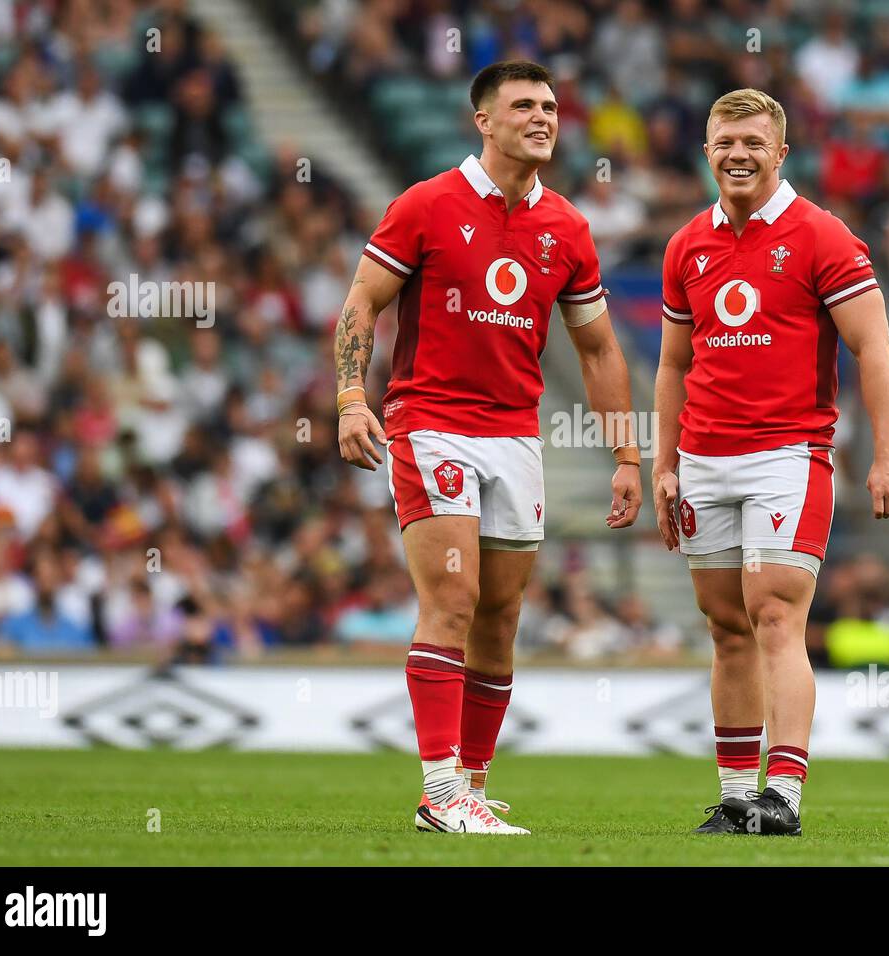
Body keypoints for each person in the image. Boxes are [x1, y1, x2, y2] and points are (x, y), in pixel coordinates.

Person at [334, 61, 641, 835]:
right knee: (453, 600)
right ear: (484, 120)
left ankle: (468, 783)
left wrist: (628, 456)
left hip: (515, 435)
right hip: (432, 423)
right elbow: (362, 302)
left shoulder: (567, 227)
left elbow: (600, 351)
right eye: (523, 106)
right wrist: (348, 398)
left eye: (549, 106)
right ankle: (441, 792)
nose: (542, 117)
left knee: (500, 618)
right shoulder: (427, 205)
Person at [653, 89, 889, 836]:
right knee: (725, 626)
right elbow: (672, 366)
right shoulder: (685, 246)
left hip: (786, 457)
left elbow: (876, 349)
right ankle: (737, 799)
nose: (737, 154)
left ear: (781, 153)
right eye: (724, 141)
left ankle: (784, 797)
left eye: (753, 143)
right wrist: (663, 464)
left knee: (773, 614)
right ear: (706, 151)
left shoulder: (823, 237)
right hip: (702, 458)